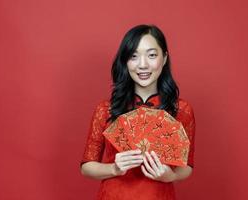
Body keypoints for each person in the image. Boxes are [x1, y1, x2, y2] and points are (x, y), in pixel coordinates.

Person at [80, 24, 196, 200]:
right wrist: (113, 168)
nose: (143, 65)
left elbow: (186, 166)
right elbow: (87, 166)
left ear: (164, 58)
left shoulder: (181, 110)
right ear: (125, 61)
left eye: (151, 55)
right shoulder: (107, 109)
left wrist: (170, 176)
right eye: (134, 56)